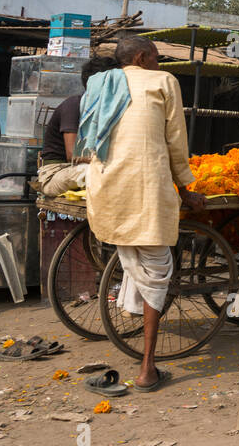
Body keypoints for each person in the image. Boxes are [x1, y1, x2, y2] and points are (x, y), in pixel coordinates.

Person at [84, 35, 205, 392]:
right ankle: (147, 368)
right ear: (142, 57)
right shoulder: (164, 81)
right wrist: (187, 187)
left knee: (135, 254)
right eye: (156, 56)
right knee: (156, 269)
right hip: (146, 186)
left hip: (105, 184)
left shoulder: (99, 83)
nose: (159, 62)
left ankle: (135, 321)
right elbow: (175, 141)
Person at [36, 55, 120, 197]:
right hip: (56, 174)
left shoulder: (106, 110)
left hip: (84, 168)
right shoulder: (74, 105)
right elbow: (73, 155)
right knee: (101, 172)